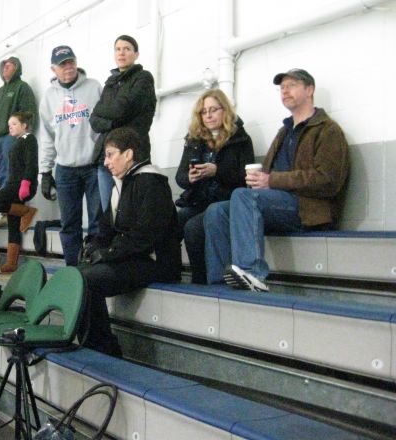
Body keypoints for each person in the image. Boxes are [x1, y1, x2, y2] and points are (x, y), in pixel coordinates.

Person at [204, 69, 350, 291]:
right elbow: (268, 176)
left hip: (308, 209)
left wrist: (272, 180)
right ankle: (220, 284)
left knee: (243, 196)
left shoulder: (328, 130)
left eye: (292, 85)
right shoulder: (284, 131)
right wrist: (259, 180)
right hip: (278, 203)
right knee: (217, 211)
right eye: (282, 87)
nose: (285, 91)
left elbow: (328, 180)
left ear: (310, 90)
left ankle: (252, 272)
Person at [78, 128, 181, 357]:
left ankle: (103, 348)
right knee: (77, 275)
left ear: (128, 154)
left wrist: (109, 253)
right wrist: (94, 246)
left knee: (87, 280)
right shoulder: (121, 183)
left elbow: (146, 236)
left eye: (110, 154)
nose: (106, 162)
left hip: (155, 262)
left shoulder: (151, 182)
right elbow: (106, 228)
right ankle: (94, 344)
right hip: (132, 257)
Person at [175, 89, 254, 284]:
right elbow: (180, 177)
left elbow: (245, 178)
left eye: (213, 110)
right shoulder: (194, 140)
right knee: (171, 223)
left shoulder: (240, 139)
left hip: (224, 200)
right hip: (199, 199)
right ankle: (169, 275)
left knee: (193, 228)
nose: (208, 115)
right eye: (204, 112)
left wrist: (217, 171)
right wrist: (190, 177)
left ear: (224, 110)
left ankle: (200, 280)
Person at [39, 45, 102, 266]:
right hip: (65, 169)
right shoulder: (48, 98)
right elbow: (47, 137)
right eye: (62, 64)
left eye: (71, 62)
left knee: (97, 221)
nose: (68, 67)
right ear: (53, 69)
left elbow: (105, 126)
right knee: (69, 224)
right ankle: (72, 269)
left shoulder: (94, 88)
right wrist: (45, 171)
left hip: (94, 165)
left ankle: (95, 268)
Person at [89, 35, 156, 210]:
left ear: (136, 54)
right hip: (106, 157)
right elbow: (94, 119)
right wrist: (111, 123)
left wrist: (105, 113)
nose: (121, 53)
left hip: (131, 156)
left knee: (130, 210)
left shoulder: (143, 78)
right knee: (108, 213)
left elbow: (122, 109)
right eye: (118, 49)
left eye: (127, 49)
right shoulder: (110, 83)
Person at [0, 112, 38, 273]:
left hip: (20, 185)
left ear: (24, 125)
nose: (10, 127)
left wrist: (26, 183)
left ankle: (26, 211)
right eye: (9, 125)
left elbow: (31, 164)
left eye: (14, 124)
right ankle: (11, 263)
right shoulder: (17, 141)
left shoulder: (29, 139)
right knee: (13, 224)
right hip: (13, 183)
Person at [0, 57, 37, 189]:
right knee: (0, 174)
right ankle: (6, 199)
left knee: (13, 172)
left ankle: (14, 200)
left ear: (17, 68)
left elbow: (29, 112)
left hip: (11, 138)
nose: (6, 67)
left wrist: (22, 136)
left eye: (10, 65)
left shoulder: (22, 87)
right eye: (4, 65)